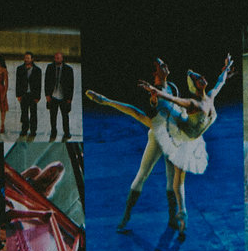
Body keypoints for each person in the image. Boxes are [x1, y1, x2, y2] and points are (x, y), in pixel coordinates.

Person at [100, 55, 231, 238]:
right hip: (158, 136)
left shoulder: (173, 88)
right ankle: (125, 218)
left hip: (175, 138)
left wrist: (225, 70)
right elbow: (147, 113)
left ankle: (172, 218)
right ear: (155, 72)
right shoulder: (154, 94)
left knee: (172, 181)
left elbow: (179, 105)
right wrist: (153, 97)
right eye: (161, 65)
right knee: (142, 175)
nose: (165, 65)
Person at [44, 50, 75, 140]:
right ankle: (53, 132)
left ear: (62, 58)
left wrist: (70, 98)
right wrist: (47, 95)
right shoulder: (50, 67)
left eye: (59, 57)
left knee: (65, 116)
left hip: (64, 97)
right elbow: (46, 82)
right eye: (56, 58)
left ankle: (67, 132)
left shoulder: (68, 69)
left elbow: (71, 85)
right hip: (53, 96)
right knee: (53, 116)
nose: (57, 59)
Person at [15, 52, 41, 136]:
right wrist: (18, 95)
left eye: (28, 58)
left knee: (33, 114)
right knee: (24, 113)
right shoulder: (20, 69)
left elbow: (39, 84)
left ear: (32, 59)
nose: (26, 60)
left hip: (33, 95)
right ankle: (24, 129)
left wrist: (38, 97)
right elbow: (17, 83)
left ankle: (33, 130)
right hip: (24, 95)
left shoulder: (37, 70)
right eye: (25, 58)